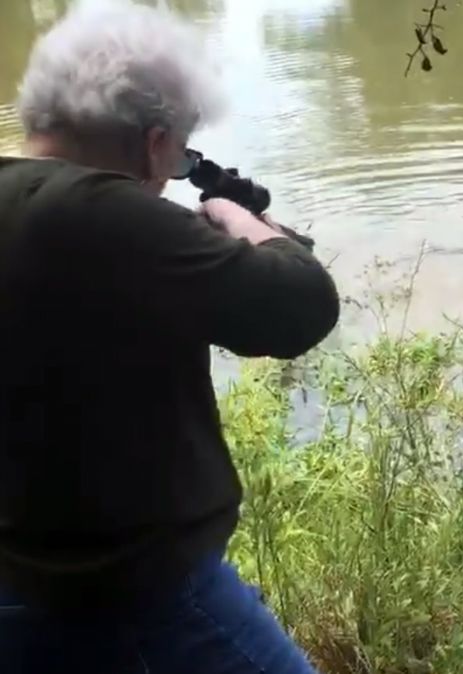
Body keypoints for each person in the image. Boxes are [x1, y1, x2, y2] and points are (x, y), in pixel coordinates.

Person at [0, 1, 337, 672]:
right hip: (136, 594)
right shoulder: (101, 212)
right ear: (155, 141)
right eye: (181, 151)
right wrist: (236, 219)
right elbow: (300, 306)